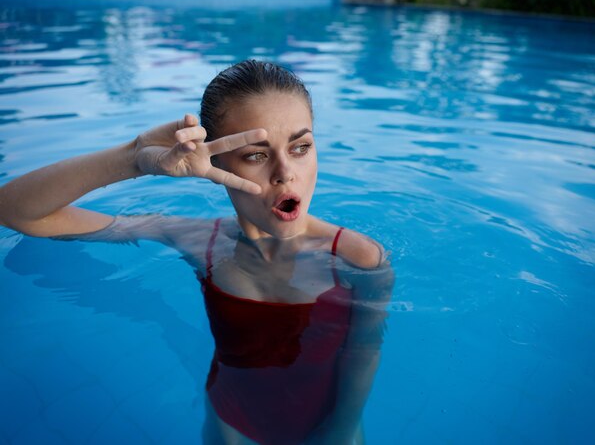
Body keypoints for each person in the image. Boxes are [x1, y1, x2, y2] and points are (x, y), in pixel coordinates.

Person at [0, 59, 393, 444]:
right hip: (229, 424)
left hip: (330, 431)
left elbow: (365, 349)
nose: (285, 172)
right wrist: (136, 157)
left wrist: (340, 430)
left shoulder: (358, 259)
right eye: (256, 155)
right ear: (213, 163)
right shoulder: (195, 240)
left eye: (301, 147)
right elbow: (16, 212)